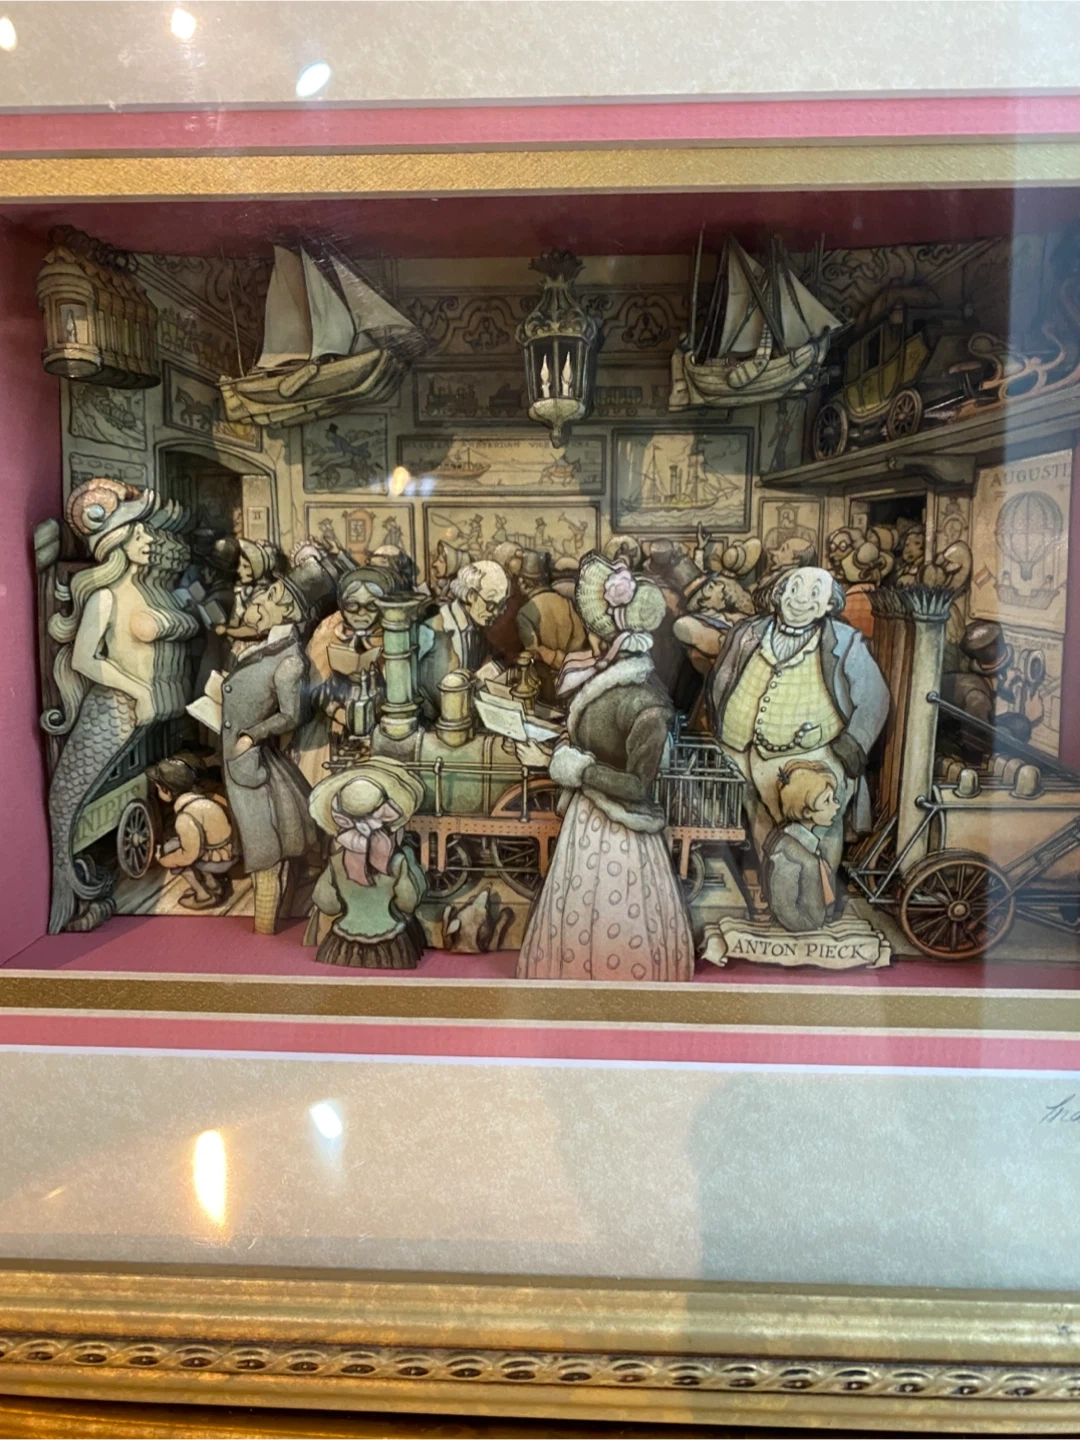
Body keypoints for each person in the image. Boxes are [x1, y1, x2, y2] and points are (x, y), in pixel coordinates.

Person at [516, 553, 696, 984]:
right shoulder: (609, 680)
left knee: (614, 914)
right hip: (588, 820)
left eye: (596, 630)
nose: (590, 638)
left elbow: (637, 786)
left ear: (614, 636)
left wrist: (578, 770)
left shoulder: (646, 704)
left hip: (620, 832)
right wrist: (566, 752)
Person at [41, 478, 199, 934]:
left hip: (136, 712)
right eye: (139, 534)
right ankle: (69, 889)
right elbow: (84, 659)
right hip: (110, 708)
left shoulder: (148, 595)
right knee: (69, 801)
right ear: (119, 544)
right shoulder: (105, 596)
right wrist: (139, 690)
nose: (149, 541)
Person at [709, 565, 890, 872]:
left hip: (816, 757)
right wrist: (725, 728)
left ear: (829, 604)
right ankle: (775, 889)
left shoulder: (845, 642)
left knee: (817, 830)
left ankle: (818, 895)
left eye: (814, 593)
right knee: (763, 829)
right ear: (779, 594)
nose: (800, 599)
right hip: (745, 755)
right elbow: (722, 677)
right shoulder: (748, 632)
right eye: (792, 589)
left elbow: (876, 698)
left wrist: (850, 747)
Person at [220, 572, 321, 934]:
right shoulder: (266, 645)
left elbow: (292, 714)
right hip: (237, 759)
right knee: (263, 847)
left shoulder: (289, 660)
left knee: (266, 855)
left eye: (270, 597)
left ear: (288, 610)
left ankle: (264, 933)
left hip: (250, 761)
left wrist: (252, 735)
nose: (259, 601)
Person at [305, 760, 428, 969]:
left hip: (343, 942)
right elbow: (408, 903)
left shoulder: (336, 862)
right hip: (389, 941)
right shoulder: (397, 862)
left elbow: (327, 903)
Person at [292, 565, 398, 786]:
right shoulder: (330, 629)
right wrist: (337, 712)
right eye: (353, 606)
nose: (361, 614)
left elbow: (399, 686)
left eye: (371, 606)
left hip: (379, 724)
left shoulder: (393, 631)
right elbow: (311, 684)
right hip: (331, 723)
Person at [417, 559, 510, 719]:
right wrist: (481, 678)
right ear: (471, 596)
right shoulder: (439, 629)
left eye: (501, 605)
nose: (496, 613)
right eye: (491, 605)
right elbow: (447, 701)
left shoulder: (478, 626)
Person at [762, 761, 842, 932]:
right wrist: (810, 929)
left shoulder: (808, 847)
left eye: (833, 799)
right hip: (798, 935)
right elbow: (785, 908)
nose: (837, 806)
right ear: (806, 812)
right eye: (827, 801)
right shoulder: (788, 851)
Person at [148, 758, 236, 911]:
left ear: (166, 791)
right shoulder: (202, 801)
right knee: (179, 845)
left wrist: (164, 860)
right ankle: (212, 884)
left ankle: (203, 895)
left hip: (219, 859)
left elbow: (189, 855)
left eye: (158, 788)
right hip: (226, 850)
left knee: (169, 851)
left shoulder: (185, 818)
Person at [515, 550, 587, 706]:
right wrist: (566, 663)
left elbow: (533, 653)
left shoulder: (525, 613)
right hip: (571, 682)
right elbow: (580, 640)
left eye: (520, 578)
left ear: (525, 581)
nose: (518, 582)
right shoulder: (566, 603)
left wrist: (555, 658)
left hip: (543, 687)